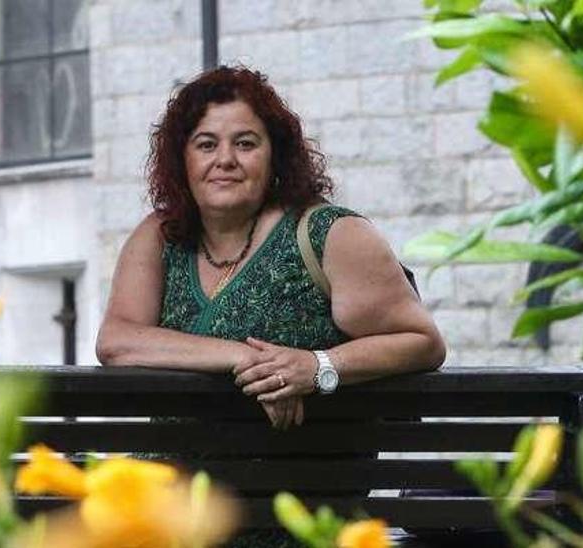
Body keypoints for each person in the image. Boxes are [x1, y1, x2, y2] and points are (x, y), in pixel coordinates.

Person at [95, 66, 445, 429]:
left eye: (245, 143)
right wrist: (247, 358)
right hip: (167, 483)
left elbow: (422, 342)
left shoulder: (331, 235)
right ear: (182, 160)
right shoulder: (160, 235)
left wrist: (317, 366)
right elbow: (116, 342)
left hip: (295, 482)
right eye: (206, 144)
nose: (225, 159)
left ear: (275, 156)